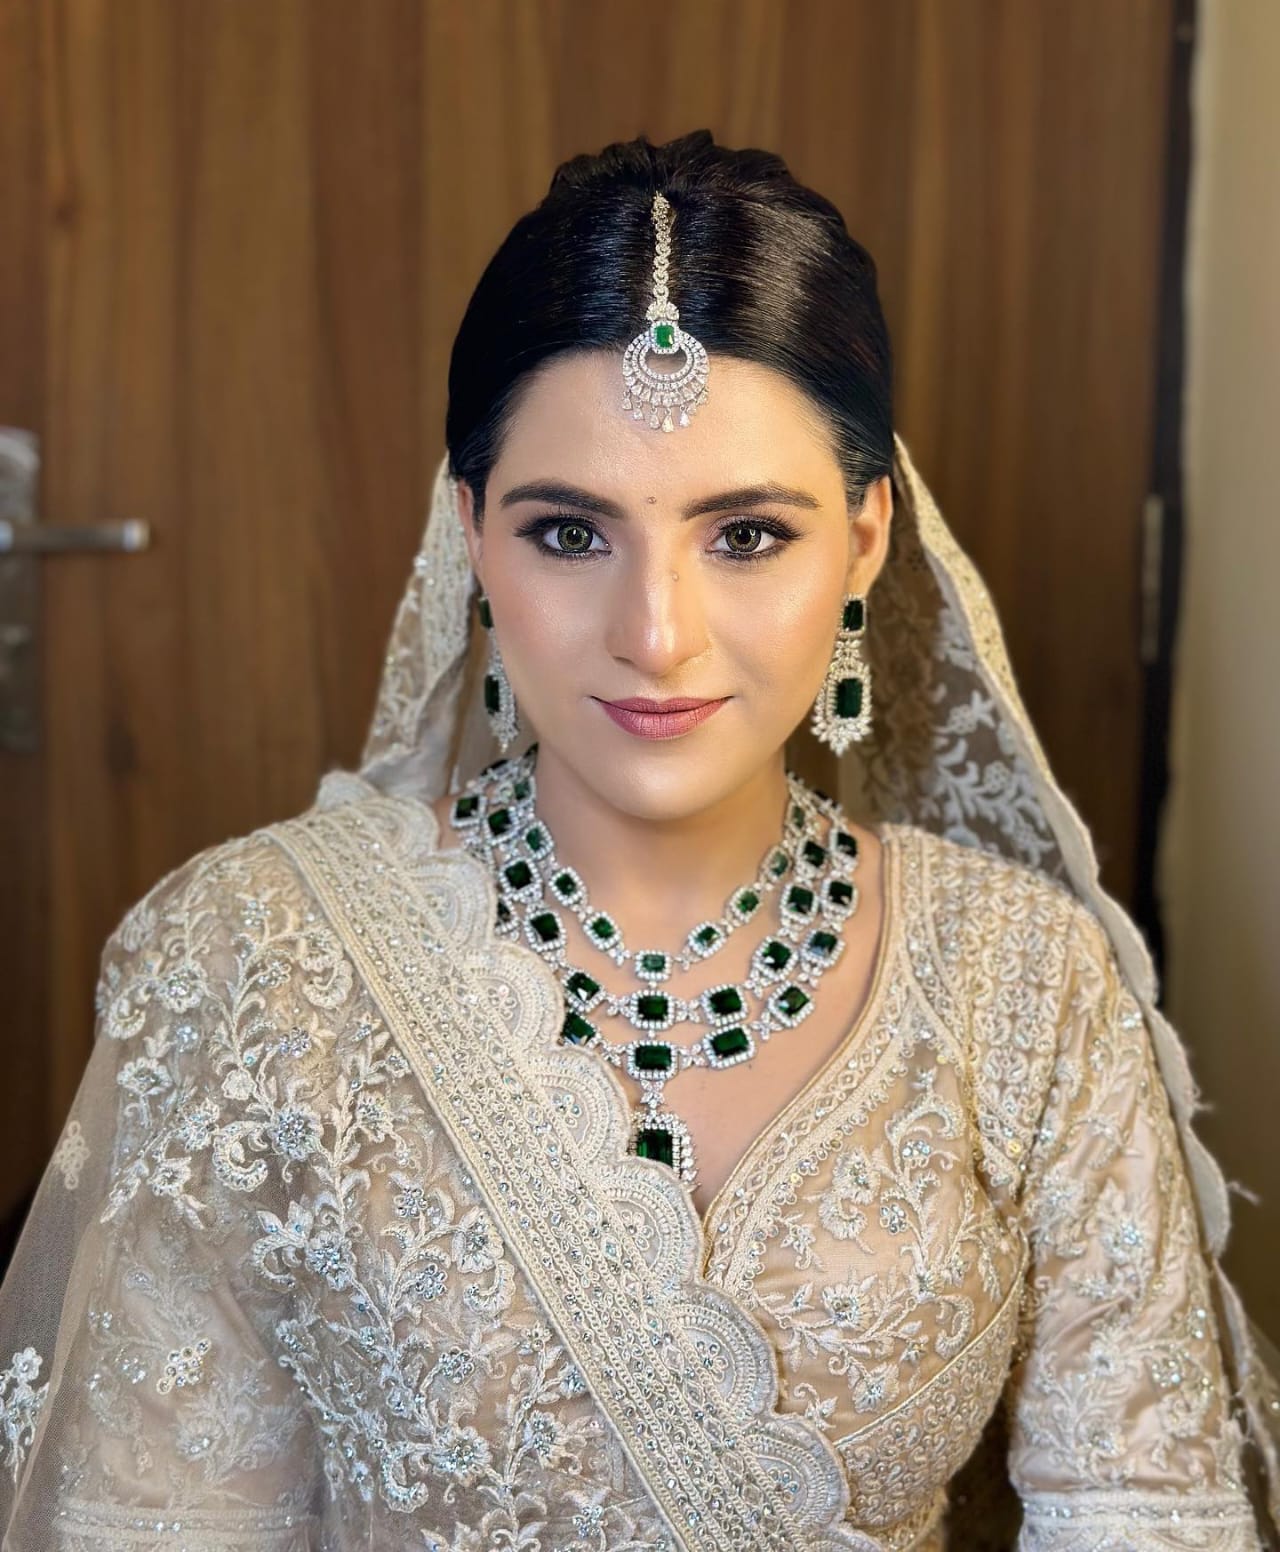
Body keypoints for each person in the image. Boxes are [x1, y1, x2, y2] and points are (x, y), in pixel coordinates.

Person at [0, 129, 1274, 1552]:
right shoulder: (253, 964)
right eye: (569, 534)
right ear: (472, 535)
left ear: (865, 540)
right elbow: (153, 1524)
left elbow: (1148, 1517)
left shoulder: (1027, 986)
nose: (657, 635)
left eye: (748, 536)